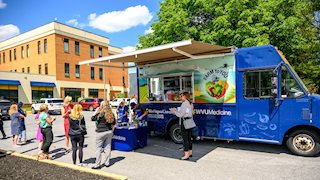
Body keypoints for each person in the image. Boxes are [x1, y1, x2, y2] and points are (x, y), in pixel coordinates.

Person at [170, 92, 194, 160]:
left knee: (185, 139)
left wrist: (174, 111)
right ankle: (190, 152)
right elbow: (187, 112)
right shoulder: (190, 103)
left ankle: (186, 155)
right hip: (190, 121)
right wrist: (177, 110)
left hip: (185, 122)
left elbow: (180, 115)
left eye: (181, 96)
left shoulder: (184, 103)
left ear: (185, 96)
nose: (180, 98)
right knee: (189, 138)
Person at [92, 101, 115, 169]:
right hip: (109, 131)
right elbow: (113, 123)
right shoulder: (111, 114)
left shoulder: (100, 114)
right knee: (108, 148)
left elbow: (92, 118)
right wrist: (112, 131)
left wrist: (96, 111)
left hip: (100, 132)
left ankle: (97, 164)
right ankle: (107, 163)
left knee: (98, 149)